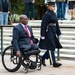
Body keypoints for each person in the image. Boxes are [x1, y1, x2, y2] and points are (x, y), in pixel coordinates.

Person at [39, 0, 62, 67]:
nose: (54, 7)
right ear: (49, 7)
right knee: (51, 46)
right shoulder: (47, 14)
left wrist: (59, 33)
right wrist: (42, 35)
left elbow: (56, 24)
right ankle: (54, 62)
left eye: (54, 6)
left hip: (53, 31)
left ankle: (42, 57)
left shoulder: (54, 14)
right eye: (52, 6)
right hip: (48, 31)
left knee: (53, 46)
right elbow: (43, 25)